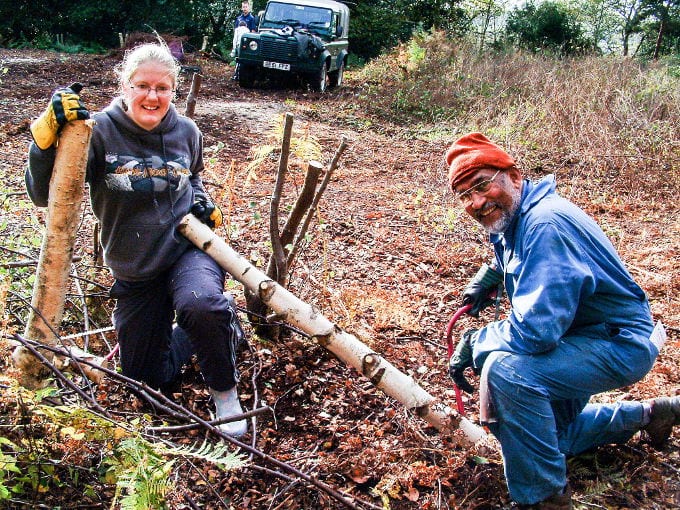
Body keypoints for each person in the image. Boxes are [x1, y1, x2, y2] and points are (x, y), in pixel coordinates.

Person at [444, 132, 678, 509]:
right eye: (465, 196)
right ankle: (650, 414)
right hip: (585, 337)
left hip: (618, 342)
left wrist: (478, 340)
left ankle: (544, 501)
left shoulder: (546, 224)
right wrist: (491, 275)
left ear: (514, 175)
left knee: (506, 371)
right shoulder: (520, 216)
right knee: (541, 441)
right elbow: (515, 255)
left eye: (482, 185)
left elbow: (536, 331)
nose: (476, 202)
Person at [25, 42, 248, 438]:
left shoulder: (187, 132)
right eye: (142, 85)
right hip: (135, 268)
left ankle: (225, 394)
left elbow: (193, 178)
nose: (152, 96)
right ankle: (220, 328)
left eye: (162, 88)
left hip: (187, 250)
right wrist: (43, 142)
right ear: (125, 87)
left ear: (173, 91)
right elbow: (45, 195)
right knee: (147, 382)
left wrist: (201, 201)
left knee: (200, 305)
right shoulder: (97, 133)